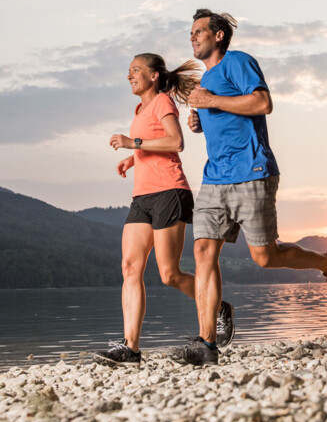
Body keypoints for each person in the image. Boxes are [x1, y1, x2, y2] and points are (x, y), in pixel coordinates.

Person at [171, 10, 327, 366]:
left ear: (219, 35)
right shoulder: (206, 78)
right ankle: (207, 345)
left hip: (252, 172)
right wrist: (200, 122)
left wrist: (211, 103)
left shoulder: (238, 62)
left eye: (199, 32)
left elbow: (262, 103)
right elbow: (225, 118)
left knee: (265, 257)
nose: (192, 37)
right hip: (214, 178)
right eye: (190, 33)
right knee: (204, 251)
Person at [93, 53, 235, 366]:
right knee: (130, 267)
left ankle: (219, 307)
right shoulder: (140, 109)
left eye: (136, 70)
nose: (129, 75)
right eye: (128, 70)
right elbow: (152, 144)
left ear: (154, 76)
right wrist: (134, 158)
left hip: (170, 192)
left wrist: (134, 143)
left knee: (169, 274)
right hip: (142, 197)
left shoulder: (162, 102)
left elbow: (175, 141)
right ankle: (130, 349)